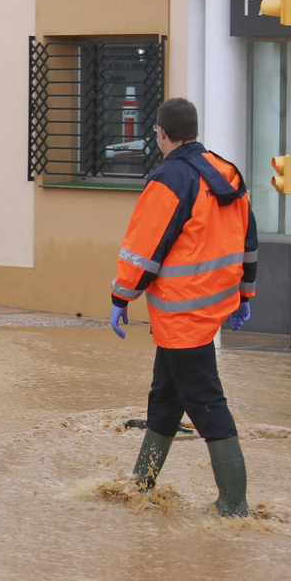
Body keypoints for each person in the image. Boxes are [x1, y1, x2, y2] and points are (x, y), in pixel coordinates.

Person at [110, 97, 257, 517]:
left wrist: (121, 297)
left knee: (206, 402)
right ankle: (141, 486)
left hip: (179, 315)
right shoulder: (227, 173)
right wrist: (245, 294)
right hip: (212, 309)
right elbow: (249, 239)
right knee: (166, 397)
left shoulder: (168, 179)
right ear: (194, 129)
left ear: (160, 134)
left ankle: (234, 504)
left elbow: (143, 248)